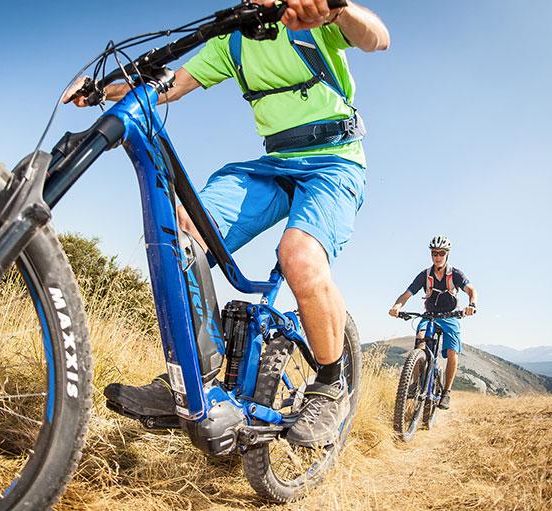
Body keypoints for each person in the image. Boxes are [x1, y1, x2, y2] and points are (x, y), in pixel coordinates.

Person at [66, 0, 390, 447]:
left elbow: (377, 37)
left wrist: (338, 10)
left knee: (298, 255)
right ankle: (193, 382)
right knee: (178, 236)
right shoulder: (232, 40)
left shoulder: (309, 16)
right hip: (273, 164)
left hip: (335, 162)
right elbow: (169, 87)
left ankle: (331, 386)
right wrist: (102, 91)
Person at [388, 236, 478, 410]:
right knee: (420, 343)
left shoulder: (455, 274)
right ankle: (415, 382)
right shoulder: (425, 275)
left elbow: (471, 290)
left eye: (441, 253)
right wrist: (396, 306)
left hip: (450, 316)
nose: (438, 256)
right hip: (430, 316)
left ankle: (446, 392)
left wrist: (472, 305)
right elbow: (407, 294)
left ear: (447, 254)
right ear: (431, 254)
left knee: (452, 352)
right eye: (434, 253)